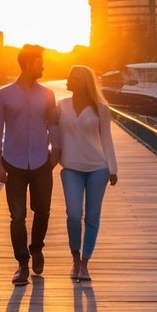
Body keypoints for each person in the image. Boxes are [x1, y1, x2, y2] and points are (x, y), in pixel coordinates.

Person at [0, 44, 60, 286]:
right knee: (17, 216)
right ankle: (22, 264)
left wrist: (56, 154)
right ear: (28, 64)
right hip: (14, 163)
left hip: (42, 161)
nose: (43, 65)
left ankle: (37, 248)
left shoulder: (48, 95)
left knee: (43, 211)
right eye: (39, 62)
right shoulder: (4, 95)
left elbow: (54, 125)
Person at [57, 65, 118, 283]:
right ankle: (74, 258)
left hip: (98, 168)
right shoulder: (61, 106)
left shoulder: (101, 108)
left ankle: (84, 264)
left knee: (92, 217)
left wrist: (113, 168)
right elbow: (51, 134)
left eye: (71, 77)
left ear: (82, 81)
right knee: (74, 214)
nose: (67, 79)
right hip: (71, 167)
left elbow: (107, 139)